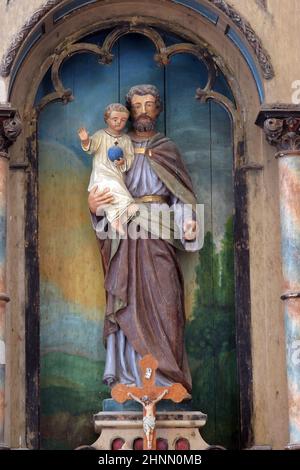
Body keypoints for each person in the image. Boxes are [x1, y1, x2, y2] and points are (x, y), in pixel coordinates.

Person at [88, 85, 201, 393]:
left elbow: (181, 195)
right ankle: (131, 380)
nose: (143, 111)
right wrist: (96, 209)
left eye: (149, 105)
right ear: (128, 111)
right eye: (137, 105)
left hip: (160, 232)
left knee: (166, 302)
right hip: (125, 236)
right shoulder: (117, 150)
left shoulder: (167, 148)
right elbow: (104, 185)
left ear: (158, 110)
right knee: (125, 299)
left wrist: (189, 220)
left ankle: (166, 379)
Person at [78, 103, 137, 234]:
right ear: (107, 119)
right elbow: (91, 147)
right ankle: (123, 211)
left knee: (114, 193)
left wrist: (123, 162)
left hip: (116, 174)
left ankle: (116, 218)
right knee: (111, 188)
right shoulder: (100, 135)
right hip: (102, 174)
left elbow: (130, 157)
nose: (118, 123)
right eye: (115, 119)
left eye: (122, 120)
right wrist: (86, 140)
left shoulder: (126, 140)